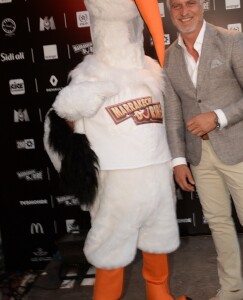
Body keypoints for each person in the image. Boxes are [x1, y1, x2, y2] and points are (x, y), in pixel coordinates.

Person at [43, 0, 190, 299]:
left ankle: (160, 294)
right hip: (116, 183)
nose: (125, 32)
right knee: (112, 250)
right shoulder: (88, 76)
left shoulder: (152, 72)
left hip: (156, 175)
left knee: (157, 242)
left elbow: (168, 119)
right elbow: (56, 133)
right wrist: (75, 107)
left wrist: (174, 161)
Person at [163, 0, 243, 299]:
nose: (184, 11)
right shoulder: (169, 56)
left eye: (190, 3)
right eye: (176, 5)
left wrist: (218, 117)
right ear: (168, 11)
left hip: (238, 149)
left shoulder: (230, 40)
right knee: (219, 225)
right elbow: (173, 112)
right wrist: (177, 159)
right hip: (199, 156)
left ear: (202, 6)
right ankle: (232, 290)